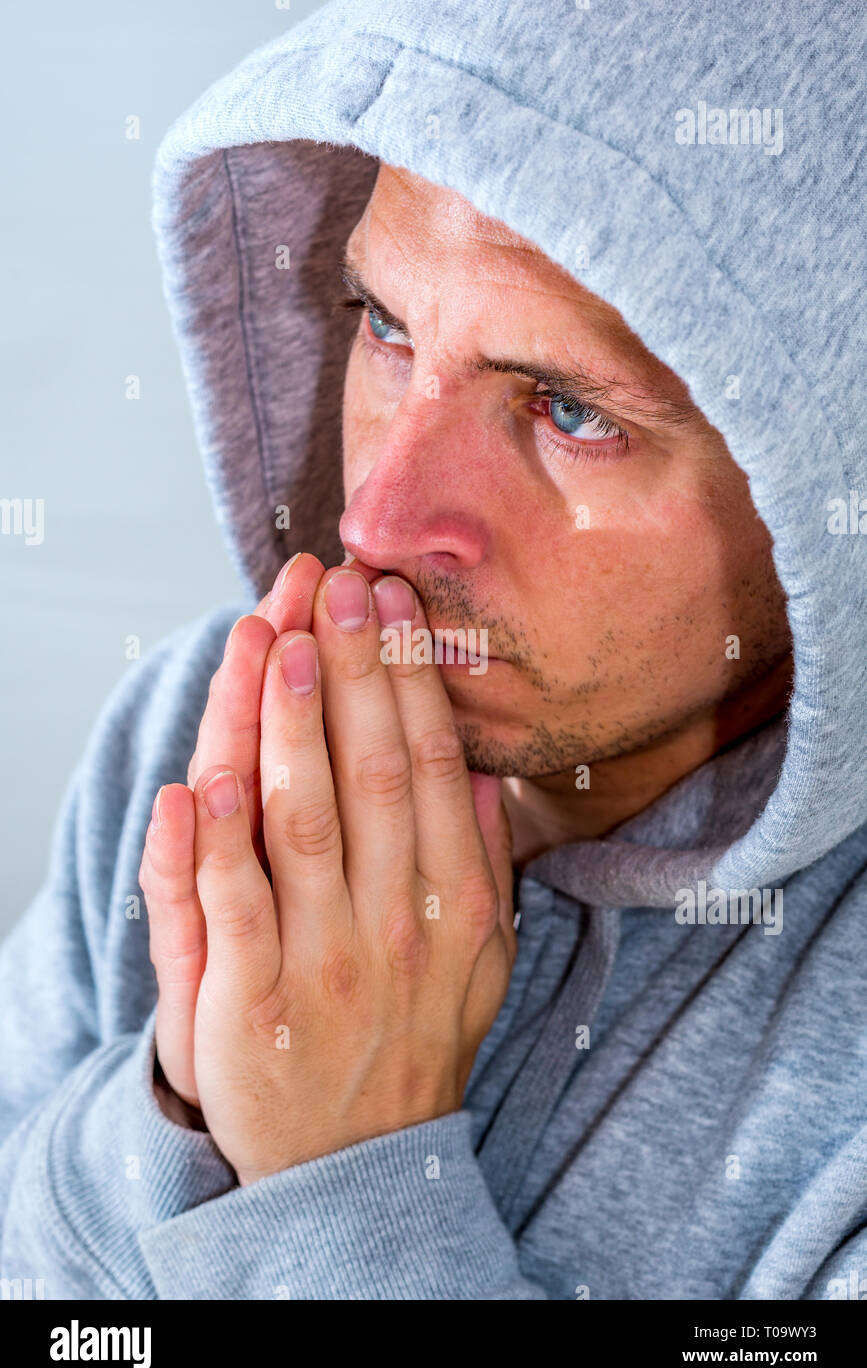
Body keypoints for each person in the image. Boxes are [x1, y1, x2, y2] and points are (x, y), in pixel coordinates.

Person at [1, 0, 865, 1301]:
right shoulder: (207, 732)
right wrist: (180, 1109)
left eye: (569, 411)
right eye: (386, 326)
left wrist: (339, 1176)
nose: (378, 520)